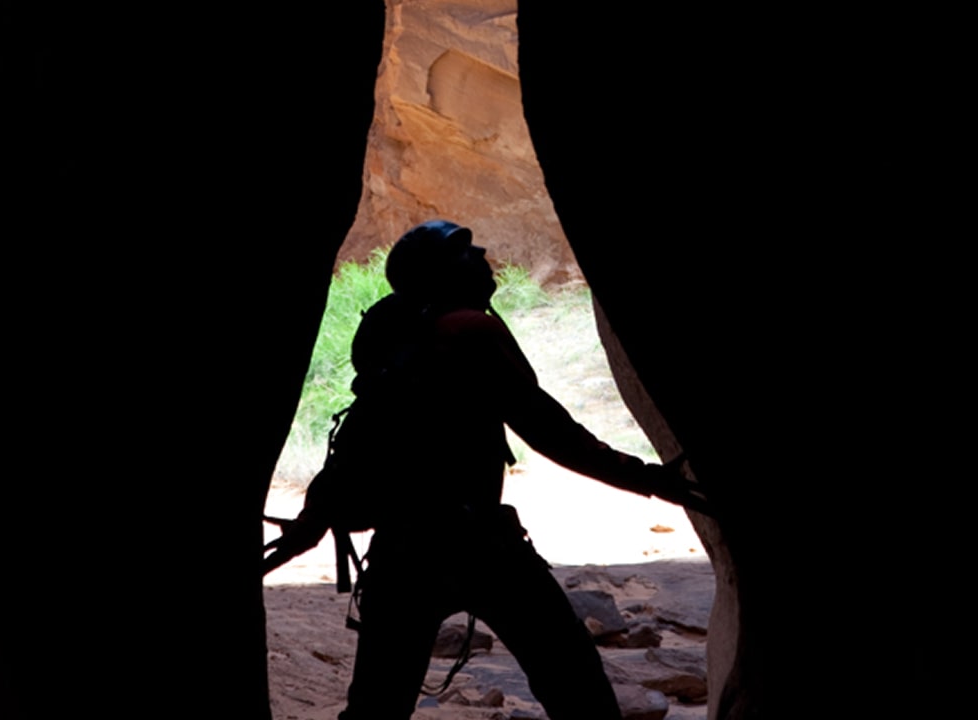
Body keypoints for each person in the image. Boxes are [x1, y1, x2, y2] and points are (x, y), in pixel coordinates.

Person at [267, 220, 708, 720]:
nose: (480, 254)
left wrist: (312, 519)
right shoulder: (469, 332)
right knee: (578, 691)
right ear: (443, 276)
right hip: (481, 547)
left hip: (403, 552)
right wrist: (649, 479)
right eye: (463, 253)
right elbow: (549, 431)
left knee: (375, 709)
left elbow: (361, 438)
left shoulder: (398, 341)